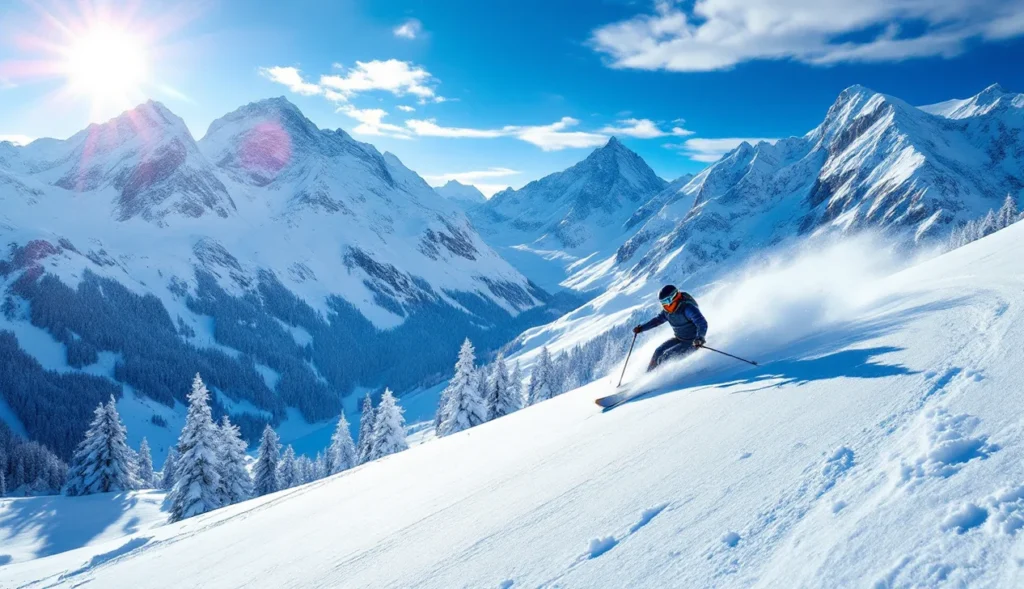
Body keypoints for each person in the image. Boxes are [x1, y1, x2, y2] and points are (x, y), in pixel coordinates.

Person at [633, 285, 708, 372]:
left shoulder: (687, 308)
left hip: (693, 343)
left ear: (676, 297)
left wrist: (700, 338)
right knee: (658, 351)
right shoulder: (667, 312)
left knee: (666, 357)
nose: (665, 305)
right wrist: (642, 328)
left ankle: (657, 377)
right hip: (679, 338)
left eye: (667, 301)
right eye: (663, 303)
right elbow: (656, 321)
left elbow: (701, 323)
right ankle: (648, 374)